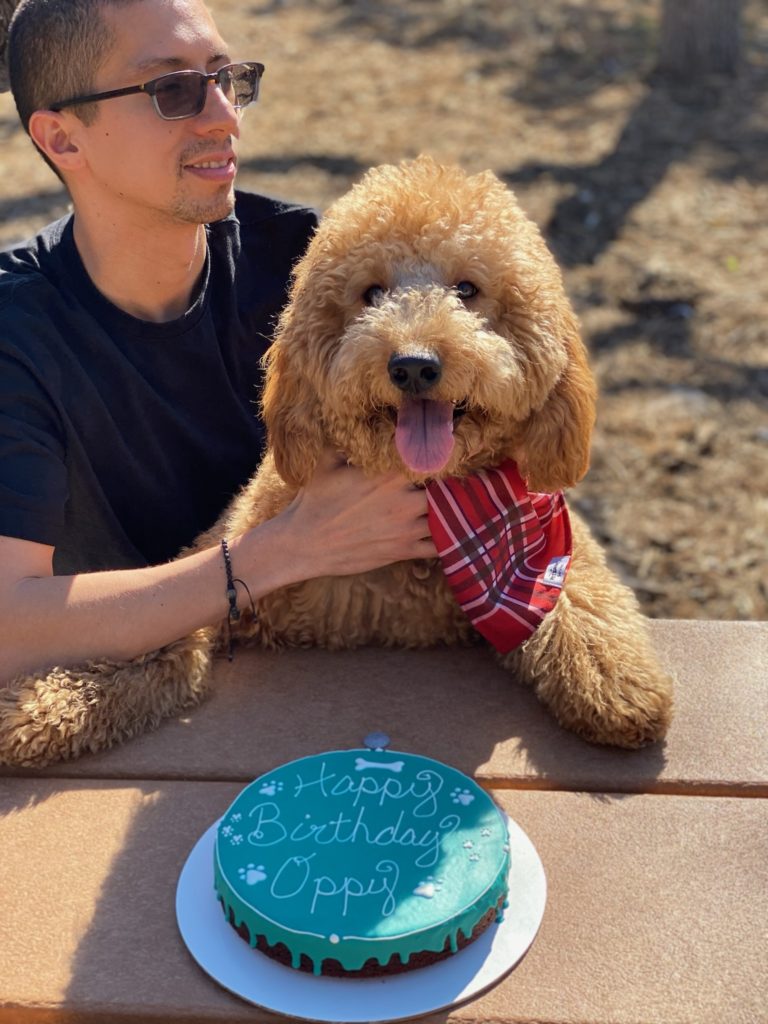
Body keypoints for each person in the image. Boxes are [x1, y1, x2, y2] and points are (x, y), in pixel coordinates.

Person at [0, 0, 435, 683]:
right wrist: (281, 551)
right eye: (171, 90)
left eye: (225, 77)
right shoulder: (13, 332)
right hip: (130, 721)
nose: (226, 117)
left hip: (344, 675)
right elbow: (10, 629)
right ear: (62, 140)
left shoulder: (314, 266)